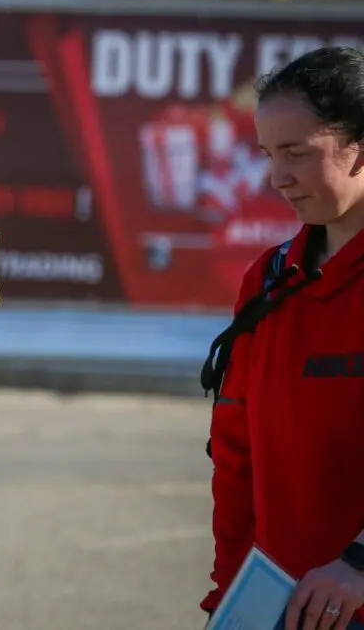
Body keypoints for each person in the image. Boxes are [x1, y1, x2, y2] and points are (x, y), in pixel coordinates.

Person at [200, 45, 364, 630]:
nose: (277, 178)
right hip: (271, 609)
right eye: (269, 155)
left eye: (297, 153)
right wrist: (229, 596)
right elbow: (235, 454)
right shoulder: (269, 280)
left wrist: (358, 564)